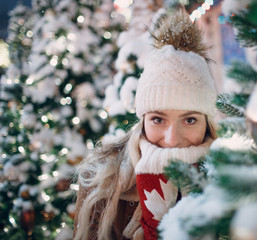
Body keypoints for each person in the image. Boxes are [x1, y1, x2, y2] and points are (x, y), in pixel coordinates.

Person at [73, 9, 218, 240]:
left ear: (207, 123)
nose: (172, 140)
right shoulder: (101, 181)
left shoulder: (232, 180)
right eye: (158, 119)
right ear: (143, 121)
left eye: (190, 120)